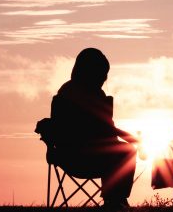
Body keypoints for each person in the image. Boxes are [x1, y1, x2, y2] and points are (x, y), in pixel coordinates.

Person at [48, 48, 138, 211]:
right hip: (85, 157)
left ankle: (115, 200)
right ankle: (115, 201)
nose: (104, 78)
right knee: (127, 152)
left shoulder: (66, 92)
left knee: (122, 152)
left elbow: (107, 129)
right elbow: (106, 129)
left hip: (67, 156)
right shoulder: (85, 95)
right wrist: (132, 139)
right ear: (92, 72)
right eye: (102, 73)